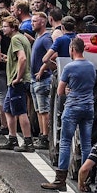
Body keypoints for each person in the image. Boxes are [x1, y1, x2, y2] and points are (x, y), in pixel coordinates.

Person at [42, 36, 96, 191]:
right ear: (83, 49)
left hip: (73, 107)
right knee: (86, 144)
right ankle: (84, 180)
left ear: (72, 49)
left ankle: (60, 180)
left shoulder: (69, 68)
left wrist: (66, 90)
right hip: (88, 107)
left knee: (65, 141)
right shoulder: (91, 66)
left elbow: (60, 92)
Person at [0, 15, 35, 152]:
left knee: (20, 111)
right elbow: (18, 58)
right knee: (8, 109)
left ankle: (28, 141)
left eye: (5, 26)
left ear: (13, 27)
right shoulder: (22, 38)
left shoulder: (15, 39)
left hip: (17, 81)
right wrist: (7, 59)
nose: (3, 29)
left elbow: (22, 58)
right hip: (14, 80)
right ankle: (12, 138)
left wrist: (18, 77)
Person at [29, 11, 53, 148]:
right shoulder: (38, 37)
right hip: (34, 80)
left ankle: (45, 136)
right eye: (32, 21)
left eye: (35, 21)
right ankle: (41, 134)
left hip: (43, 79)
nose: (32, 24)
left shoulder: (45, 38)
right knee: (38, 110)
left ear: (43, 22)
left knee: (44, 110)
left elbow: (52, 54)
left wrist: (43, 69)